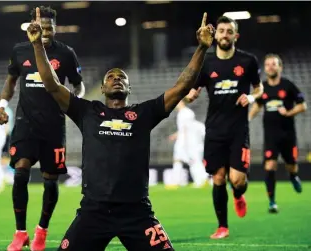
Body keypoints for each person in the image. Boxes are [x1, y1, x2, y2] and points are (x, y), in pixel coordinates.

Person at [25, 9, 213, 251]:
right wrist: (38, 45)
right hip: (93, 212)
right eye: (111, 77)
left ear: (129, 87)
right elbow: (51, 84)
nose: (116, 78)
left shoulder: (144, 114)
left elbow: (182, 86)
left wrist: (202, 48)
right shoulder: (86, 111)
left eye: (122, 77)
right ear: (102, 88)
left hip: (137, 212)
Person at [0, 6, 85, 251]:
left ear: (55, 27)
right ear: (32, 26)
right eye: (41, 27)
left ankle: (41, 231)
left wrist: (73, 104)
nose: (45, 32)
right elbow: (11, 80)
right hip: (25, 122)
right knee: (21, 172)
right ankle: (20, 232)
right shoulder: (19, 50)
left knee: (50, 180)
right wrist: (2, 105)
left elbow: (79, 86)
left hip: (54, 125)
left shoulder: (66, 54)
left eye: (49, 27)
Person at [186, 16, 264, 239]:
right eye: (221, 31)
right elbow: (194, 89)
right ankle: (222, 226)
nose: (224, 35)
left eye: (229, 31)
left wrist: (250, 97)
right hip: (214, 130)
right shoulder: (206, 62)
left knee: (237, 180)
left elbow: (259, 89)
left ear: (235, 36)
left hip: (239, 130)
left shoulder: (248, 61)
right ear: (215, 34)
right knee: (218, 178)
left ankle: (239, 195)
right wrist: (190, 95)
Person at [249, 54, 306, 213]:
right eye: (267, 64)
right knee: (270, 165)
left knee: (291, 166)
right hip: (271, 135)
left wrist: (289, 112)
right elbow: (257, 106)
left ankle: (293, 176)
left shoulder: (288, 86)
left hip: (288, 134)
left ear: (280, 67)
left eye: (274, 64)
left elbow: (303, 106)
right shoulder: (263, 87)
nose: (270, 67)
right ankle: (272, 202)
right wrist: (246, 119)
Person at [165, 100, 208, 188]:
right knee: (181, 160)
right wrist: (176, 135)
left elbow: (186, 129)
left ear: (181, 102)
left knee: (191, 161)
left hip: (185, 142)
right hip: (186, 141)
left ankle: (201, 179)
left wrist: (184, 142)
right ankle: (179, 181)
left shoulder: (184, 113)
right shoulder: (187, 113)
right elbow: (184, 129)